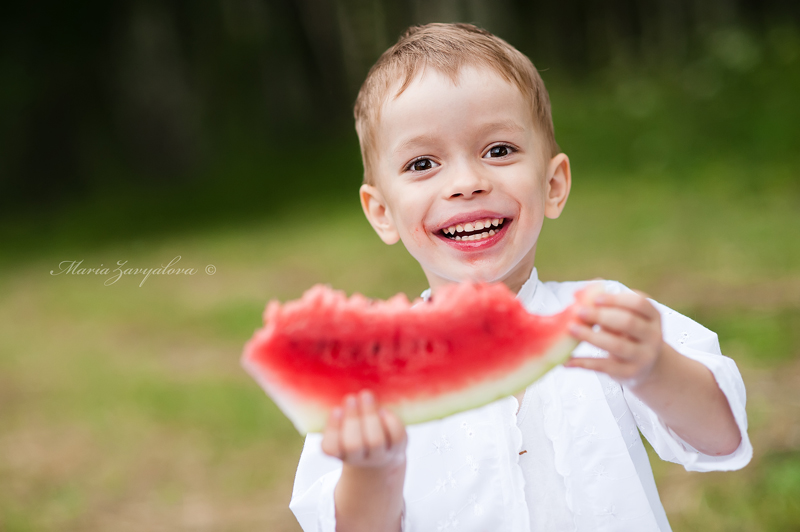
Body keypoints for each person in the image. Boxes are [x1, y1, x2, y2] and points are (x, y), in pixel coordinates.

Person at [288, 23, 752, 532]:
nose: (467, 183)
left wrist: (656, 368)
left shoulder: (605, 320)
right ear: (382, 212)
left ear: (553, 184)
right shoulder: (366, 378)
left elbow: (721, 438)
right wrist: (370, 471)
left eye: (498, 150)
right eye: (423, 163)